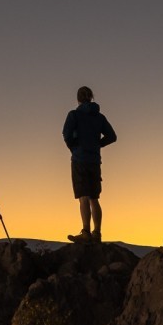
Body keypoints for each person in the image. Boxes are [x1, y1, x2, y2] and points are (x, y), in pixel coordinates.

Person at [63, 86, 117, 243]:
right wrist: (97, 145)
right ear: (91, 97)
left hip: (80, 159)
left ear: (78, 99)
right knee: (94, 197)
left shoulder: (74, 115)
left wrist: (74, 147)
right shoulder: (99, 117)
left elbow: (66, 134)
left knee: (83, 196)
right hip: (94, 160)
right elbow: (112, 136)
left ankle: (86, 232)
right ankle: (97, 233)